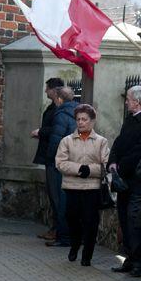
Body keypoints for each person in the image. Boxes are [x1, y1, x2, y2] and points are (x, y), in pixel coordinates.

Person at [54, 104, 110, 265]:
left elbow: (106, 165)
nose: (80, 122)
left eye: (84, 119)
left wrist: (90, 170)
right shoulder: (67, 141)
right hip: (72, 187)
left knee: (91, 222)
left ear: (92, 121)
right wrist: (79, 169)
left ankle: (87, 255)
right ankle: (75, 244)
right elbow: (60, 163)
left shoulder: (101, 142)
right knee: (72, 219)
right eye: (78, 119)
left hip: (92, 189)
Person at [108, 85, 141, 276]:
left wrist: (122, 166)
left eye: (128, 98)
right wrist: (112, 162)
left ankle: (138, 261)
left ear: (137, 101)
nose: (126, 101)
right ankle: (129, 258)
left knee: (134, 220)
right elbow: (118, 143)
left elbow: (137, 150)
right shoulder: (129, 120)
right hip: (123, 179)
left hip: (136, 179)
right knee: (124, 218)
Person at [31, 77, 64, 241]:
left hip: (54, 157)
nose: (45, 91)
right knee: (53, 195)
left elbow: (56, 130)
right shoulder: (55, 108)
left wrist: (41, 132)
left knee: (56, 195)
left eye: (47, 89)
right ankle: (55, 228)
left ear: (54, 90)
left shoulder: (60, 110)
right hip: (50, 155)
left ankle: (58, 230)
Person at [45, 85, 77, 248]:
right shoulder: (80, 112)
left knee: (61, 200)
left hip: (61, 163)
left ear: (59, 99)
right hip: (75, 162)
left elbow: (56, 140)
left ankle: (63, 236)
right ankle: (71, 235)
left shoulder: (61, 114)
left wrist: (51, 159)